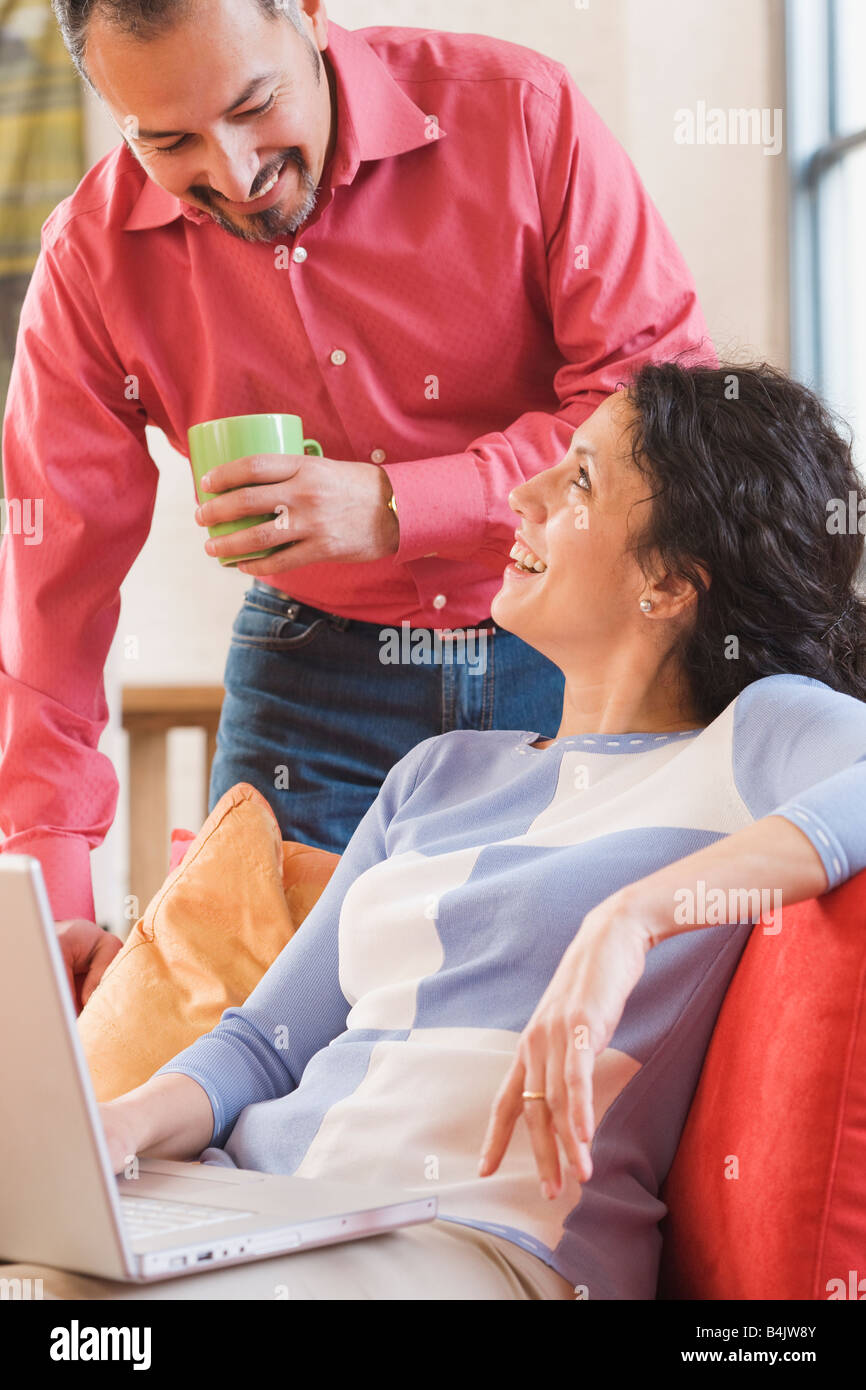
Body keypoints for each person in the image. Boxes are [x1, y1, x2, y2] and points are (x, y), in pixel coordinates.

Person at [19, 358, 866, 1301]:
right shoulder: (439, 774)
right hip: (263, 1203)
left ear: (669, 585)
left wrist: (631, 920)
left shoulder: (757, 740)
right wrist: (118, 1130)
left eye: (579, 478)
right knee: (53, 1273)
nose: (524, 493)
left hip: (479, 1242)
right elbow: (265, 1045)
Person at [0, 0, 714, 1006]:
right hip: (311, 682)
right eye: (169, 140)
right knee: (241, 1045)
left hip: (578, 651)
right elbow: (50, 595)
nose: (237, 173)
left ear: (304, 14)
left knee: (574, 1025)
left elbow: (662, 401)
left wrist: (395, 504)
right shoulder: (90, 261)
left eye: (255, 104)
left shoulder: (517, 114)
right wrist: (51, 881)